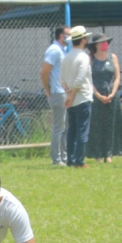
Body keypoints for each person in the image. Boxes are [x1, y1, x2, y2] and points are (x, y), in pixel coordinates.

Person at [86, 32, 122, 163]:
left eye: (107, 42)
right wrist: (98, 95)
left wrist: (112, 93)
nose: (106, 44)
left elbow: (117, 78)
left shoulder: (113, 57)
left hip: (111, 95)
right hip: (96, 96)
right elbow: (88, 80)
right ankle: (98, 154)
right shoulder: (90, 59)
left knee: (111, 124)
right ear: (96, 45)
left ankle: (109, 153)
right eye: (103, 42)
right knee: (97, 125)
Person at [60, 26, 94, 168]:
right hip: (82, 98)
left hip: (70, 99)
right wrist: (73, 95)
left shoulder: (67, 57)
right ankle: (79, 161)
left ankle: (70, 159)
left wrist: (68, 92)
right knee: (82, 130)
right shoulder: (83, 57)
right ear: (83, 39)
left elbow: (61, 79)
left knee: (72, 130)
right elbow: (80, 80)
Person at [41, 25, 69, 166]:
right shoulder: (54, 50)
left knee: (65, 126)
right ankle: (56, 159)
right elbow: (44, 72)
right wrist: (47, 89)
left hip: (63, 92)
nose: (70, 38)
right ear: (61, 36)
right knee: (59, 127)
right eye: (68, 35)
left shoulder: (62, 50)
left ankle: (64, 157)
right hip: (57, 93)